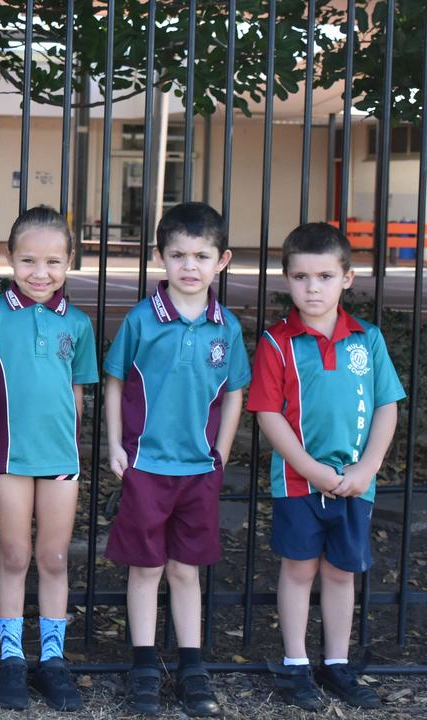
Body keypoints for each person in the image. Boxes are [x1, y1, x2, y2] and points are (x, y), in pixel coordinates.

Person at [102, 202, 250, 717]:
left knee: (185, 572)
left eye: (202, 256)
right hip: (147, 467)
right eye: (179, 255)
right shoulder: (144, 319)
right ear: (160, 258)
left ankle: (192, 664)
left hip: (199, 470)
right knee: (145, 570)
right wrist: (115, 445)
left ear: (222, 260)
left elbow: (234, 391)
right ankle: (144, 663)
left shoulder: (225, 326)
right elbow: (116, 380)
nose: (190, 266)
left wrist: (223, 451)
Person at [247, 223, 402, 711]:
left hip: (356, 484)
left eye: (324, 276)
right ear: (286, 279)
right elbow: (269, 414)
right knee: (298, 570)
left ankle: (336, 664)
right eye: (300, 277)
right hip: (298, 482)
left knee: (341, 574)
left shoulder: (367, 339)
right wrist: (311, 469)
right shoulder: (277, 343)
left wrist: (368, 469)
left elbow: (386, 406)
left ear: (347, 278)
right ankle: (295, 665)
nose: (312, 288)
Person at [0, 206, 98, 711]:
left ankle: (53, 661)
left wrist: (76, 452)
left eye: (53, 262)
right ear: (10, 259)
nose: (41, 273)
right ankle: (14, 659)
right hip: (10, 458)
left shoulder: (79, 324)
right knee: (16, 555)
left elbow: (78, 396)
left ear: (69, 262)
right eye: (29, 261)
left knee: (54, 558)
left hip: (60, 459)